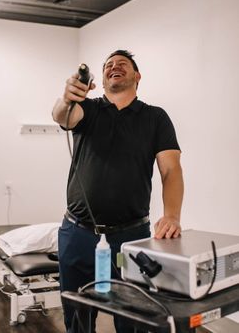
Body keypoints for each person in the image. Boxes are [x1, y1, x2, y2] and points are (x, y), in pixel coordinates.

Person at [52, 50, 184, 333]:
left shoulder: (155, 118)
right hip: (77, 233)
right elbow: (62, 115)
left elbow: (171, 170)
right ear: (100, 79)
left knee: (131, 318)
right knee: (76, 317)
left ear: (137, 76)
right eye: (109, 65)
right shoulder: (87, 109)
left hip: (130, 237)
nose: (114, 67)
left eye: (122, 64)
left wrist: (172, 215)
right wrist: (67, 97)